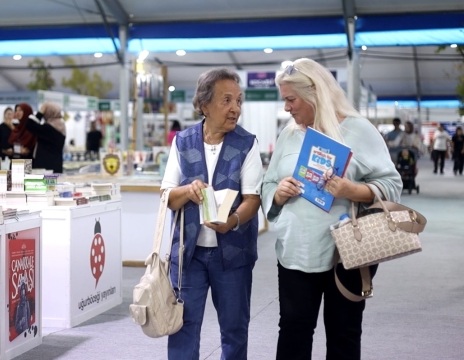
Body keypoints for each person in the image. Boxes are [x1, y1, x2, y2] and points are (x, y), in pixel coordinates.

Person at [262, 58, 402, 360]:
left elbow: (392, 184)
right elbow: (268, 183)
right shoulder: (289, 134)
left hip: (348, 252)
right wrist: (278, 193)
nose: (287, 108)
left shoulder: (359, 131)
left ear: (314, 92)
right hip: (296, 252)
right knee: (294, 331)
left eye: (290, 99)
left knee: (344, 333)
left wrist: (353, 190)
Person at [160, 68, 263, 360]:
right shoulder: (183, 142)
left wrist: (232, 221)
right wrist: (187, 190)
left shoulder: (247, 144)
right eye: (227, 100)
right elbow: (167, 196)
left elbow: (253, 199)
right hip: (188, 256)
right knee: (182, 327)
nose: (235, 109)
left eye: (239, 101)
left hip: (233, 255)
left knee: (234, 330)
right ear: (204, 105)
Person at [23, 102, 66, 173]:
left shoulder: (49, 128)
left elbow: (29, 125)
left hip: (45, 168)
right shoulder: (60, 126)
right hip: (54, 166)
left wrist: (40, 113)